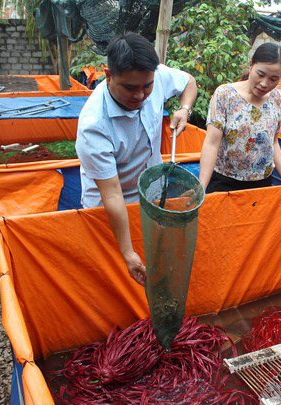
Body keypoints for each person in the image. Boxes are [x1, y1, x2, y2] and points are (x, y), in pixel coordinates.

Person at [76, 33, 198, 286]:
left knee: (156, 260)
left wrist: (184, 110)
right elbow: (112, 195)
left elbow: (189, 82)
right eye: (130, 88)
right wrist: (127, 252)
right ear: (109, 75)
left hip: (152, 195)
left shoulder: (154, 75)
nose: (141, 95)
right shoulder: (93, 125)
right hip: (109, 209)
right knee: (114, 278)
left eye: (147, 86)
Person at [198, 43, 281, 193]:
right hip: (225, 183)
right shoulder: (225, 95)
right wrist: (202, 186)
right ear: (250, 65)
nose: (264, 84)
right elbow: (211, 143)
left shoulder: (277, 98)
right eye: (260, 74)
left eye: (274, 79)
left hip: (262, 185)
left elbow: (273, 142)